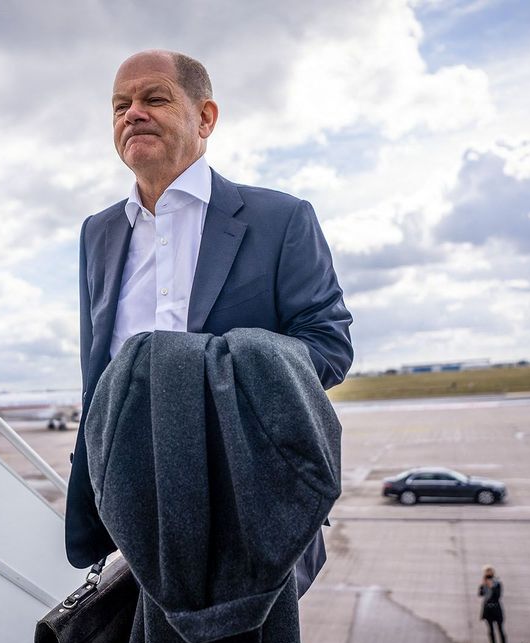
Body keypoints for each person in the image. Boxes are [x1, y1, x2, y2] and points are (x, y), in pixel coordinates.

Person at [64, 48, 354, 593]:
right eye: (120, 105)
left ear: (205, 117)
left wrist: (204, 375)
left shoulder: (281, 219)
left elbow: (329, 345)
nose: (133, 114)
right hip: (131, 505)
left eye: (154, 98)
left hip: (249, 498)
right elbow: (95, 368)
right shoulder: (96, 234)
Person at [479, 564, 507, 643]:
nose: (487, 573)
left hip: (496, 609)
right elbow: (480, 594)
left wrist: (491, 587)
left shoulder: (497, 583)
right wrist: (483, 585)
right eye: (486, 572)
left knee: (500, 630)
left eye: (489, 571)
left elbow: (498, 596)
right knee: (490, 631)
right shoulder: (485, 582)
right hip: (488, 610)